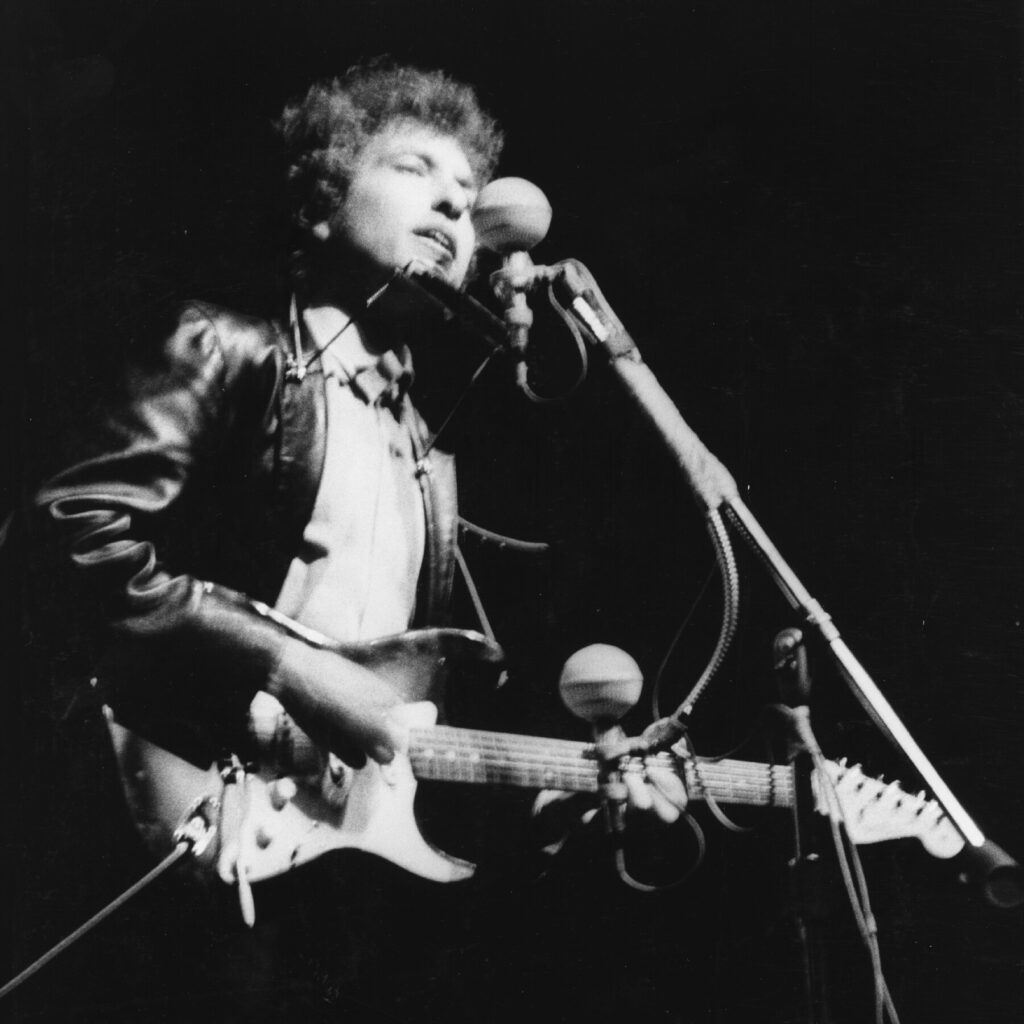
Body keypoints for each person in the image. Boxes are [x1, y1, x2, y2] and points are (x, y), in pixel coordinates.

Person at [3, 61, 686, 1022]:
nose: (454, 207)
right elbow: (64, 534)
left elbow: (409, 715)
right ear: (321, 202)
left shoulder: (424, 451)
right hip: (164, 815)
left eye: (467, 197)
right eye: (415, 170)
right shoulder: (227, 347)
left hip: (325, 883)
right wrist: (291, 665)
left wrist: (553, 800)